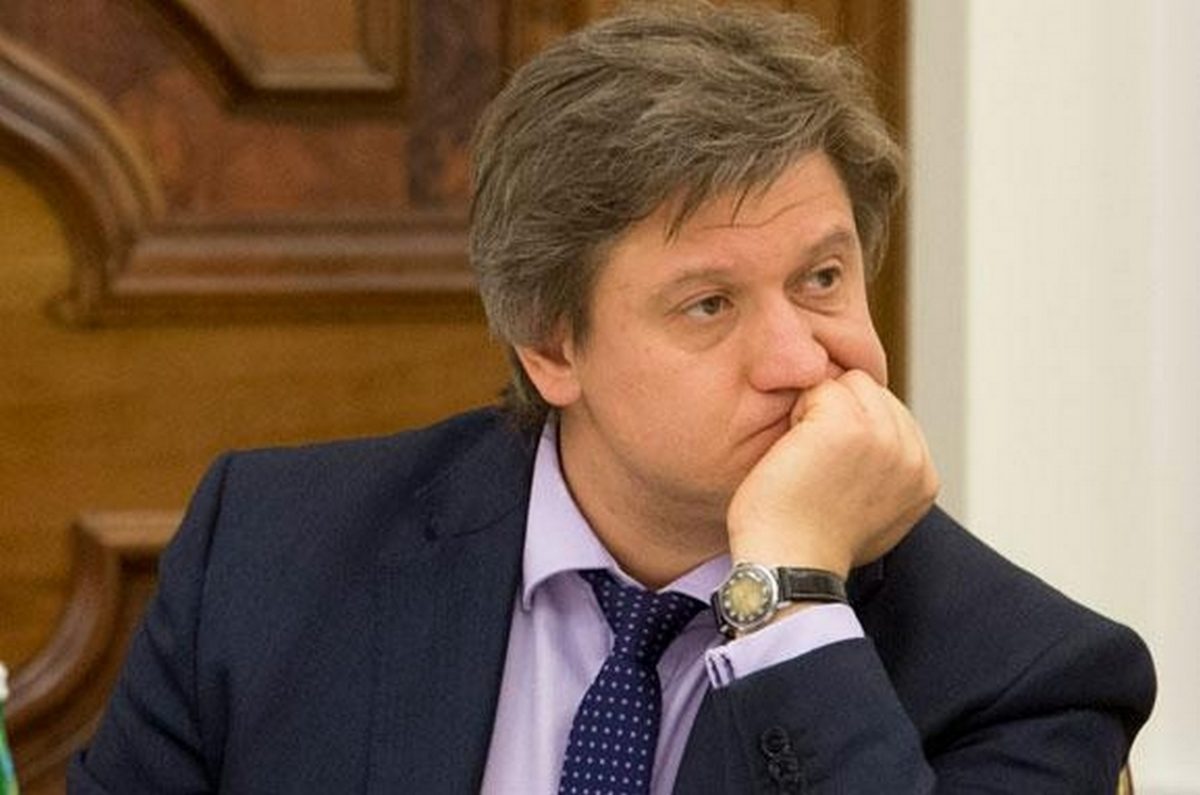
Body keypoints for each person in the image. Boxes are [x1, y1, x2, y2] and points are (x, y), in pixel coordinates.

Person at [69, 3, 1155, 793]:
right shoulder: (266, 557)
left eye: (822, 279)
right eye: (709, 305)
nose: (799, 359)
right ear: (553, 346)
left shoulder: (1028, 673)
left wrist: (788, 601)